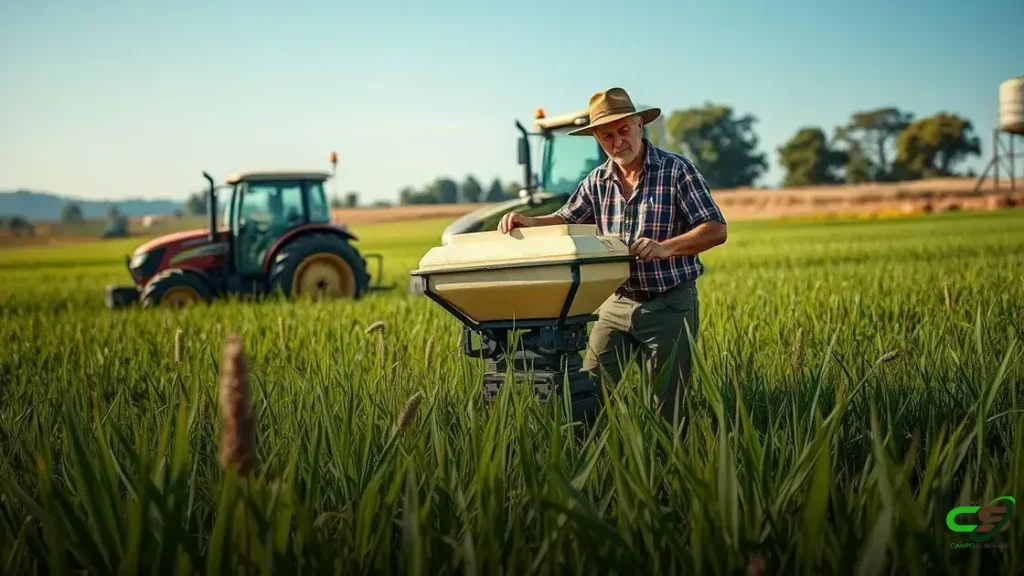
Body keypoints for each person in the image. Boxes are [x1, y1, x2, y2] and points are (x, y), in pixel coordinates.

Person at [497, 87, 727, 422]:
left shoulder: (677, 170)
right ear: (597, 139)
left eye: (623, 130)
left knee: (669, 405)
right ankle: (598, 460)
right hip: (615, 302)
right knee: (589, 392)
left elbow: (716, 229)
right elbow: (565, 218)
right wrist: (529, 221)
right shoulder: (597, 181)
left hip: (669, 303)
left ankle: (664, 464)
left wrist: (666, 248)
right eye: (607, 135)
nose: (617, 141)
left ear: (638, 125)